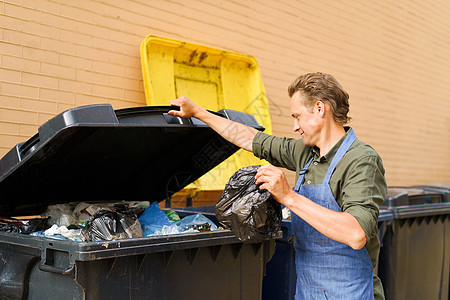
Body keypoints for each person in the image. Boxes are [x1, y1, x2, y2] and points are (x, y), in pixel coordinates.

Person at [169, 72, 387, 300]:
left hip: (351, 293)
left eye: (298, 116)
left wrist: (288, 197)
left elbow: (355, 233)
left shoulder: (361, 160)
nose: (295, 126)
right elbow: (251, 139)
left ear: (320, 109)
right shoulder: (305, 153)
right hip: (308, 291)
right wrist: (199, 113)